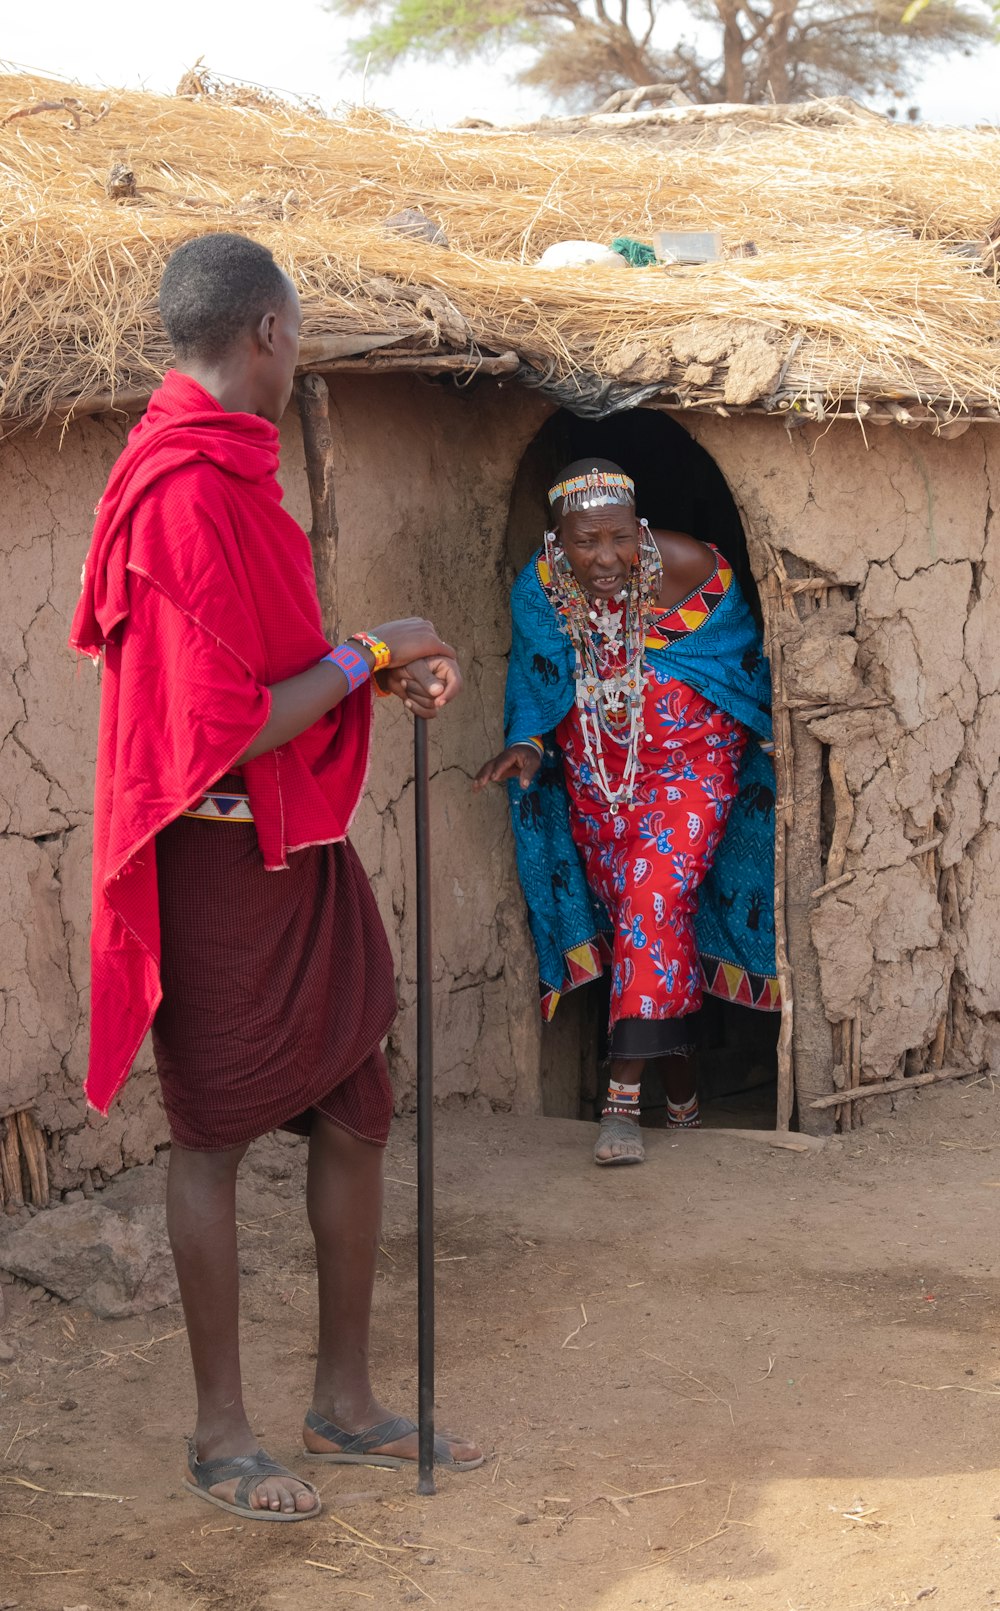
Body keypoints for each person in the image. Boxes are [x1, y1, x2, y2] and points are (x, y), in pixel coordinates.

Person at [69, 232, 482, 1522]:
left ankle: (344, 1402)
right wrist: (376, 648)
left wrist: (374, 668)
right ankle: (219, 1434)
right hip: (214, 859)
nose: (297, 357)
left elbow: (279, 671)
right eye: (297, 336)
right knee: (215, 1132)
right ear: (264, 334)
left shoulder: (228, 474)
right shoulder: (184, 491)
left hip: (292, 847)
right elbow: (228, 726)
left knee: (359, 1095)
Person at [474, 460, 779, 1166]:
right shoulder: (543, 590)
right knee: (649, 926)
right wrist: (526, 742)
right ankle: (683, 1092)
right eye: (585, 542)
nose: (605, 559)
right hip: (601, 785)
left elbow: (739, 664)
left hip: (694, 773)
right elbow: (535, 674)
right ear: (558, 541)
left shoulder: (695, 573)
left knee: (651, 899)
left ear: (639, 528)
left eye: (618, 539)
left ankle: (620, 1103)